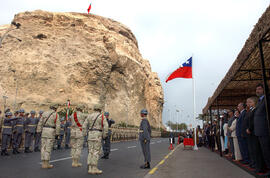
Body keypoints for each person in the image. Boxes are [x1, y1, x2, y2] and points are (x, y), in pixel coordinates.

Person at [82, 104, 108, 174]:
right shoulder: (102, 116)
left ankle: (90, 168)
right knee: (96, 151)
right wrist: (104, 135)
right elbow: (106, 126)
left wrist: (84, 134)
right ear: (100, 109)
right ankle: (94, 168)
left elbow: (84, 125)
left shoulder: (89, 116)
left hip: (90, 134)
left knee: (90, 151)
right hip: (97, 134)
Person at [36, 103, 60, 169]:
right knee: (48, 147)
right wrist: (57, 134)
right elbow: (58, 125)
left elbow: (40, 123)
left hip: (44, 130)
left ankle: (43, 163)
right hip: (51, 131)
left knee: (43, 147)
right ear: (55, 108)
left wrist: (38, 131)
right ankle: (46, 163)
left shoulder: (44, 113)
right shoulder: (56, 114)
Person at [254, 83, 270, 176]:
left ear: (264, 89)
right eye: (257, 89)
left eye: (259, 89)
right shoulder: (260, 101)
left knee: (267, 151)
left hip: (265, 130)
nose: (257, 91)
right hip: (259, 131)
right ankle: (265, 168)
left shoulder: (267, 99)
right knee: (263, 152)